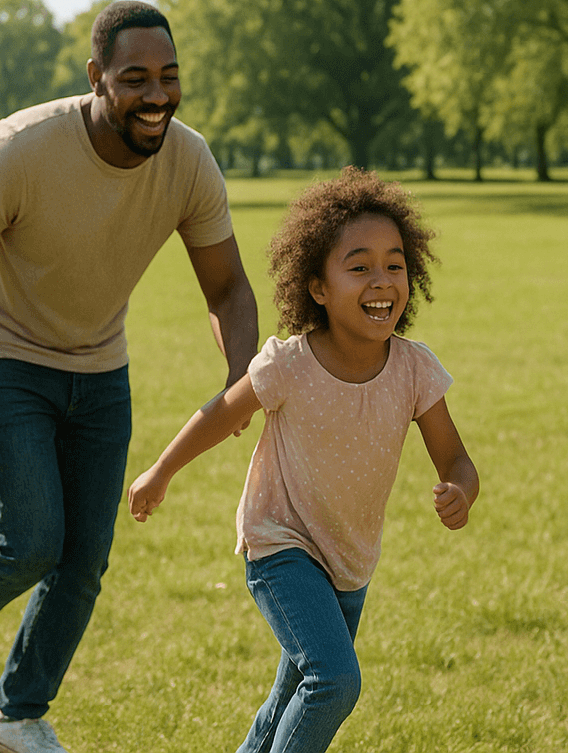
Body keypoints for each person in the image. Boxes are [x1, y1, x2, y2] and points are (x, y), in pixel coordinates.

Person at [0, 0, 258, 753]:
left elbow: (227, 288)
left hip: (100, 367)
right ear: (97, 77)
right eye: (136, 79)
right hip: (4, 355)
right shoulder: (25, 148)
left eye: (169, 77)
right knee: (34, 538)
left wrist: (242, 378)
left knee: (84, 560)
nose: (157, 95)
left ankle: (19, 713)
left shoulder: (188, 160)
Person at [127, 167, 479, 753]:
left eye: (395, 264)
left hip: (351, 560)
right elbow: (221, 413)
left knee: (294, 688)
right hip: (281, 545)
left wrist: (460, 491)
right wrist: (161, 470)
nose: (382, 280)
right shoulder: (288, 364)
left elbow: (456, 459)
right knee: (334, 681)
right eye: (359, 266)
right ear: (317, 287)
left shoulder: (415, 370)